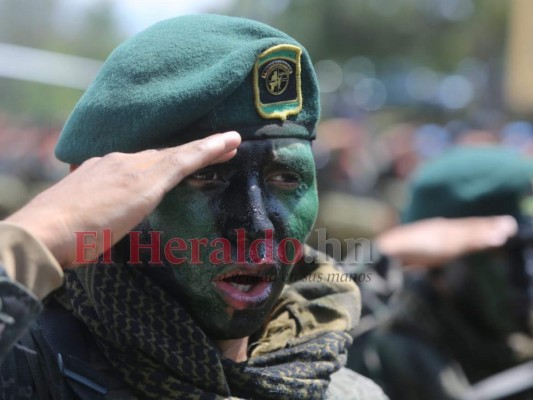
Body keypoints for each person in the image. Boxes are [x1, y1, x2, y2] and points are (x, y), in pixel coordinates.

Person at [0, 14, 388, 399]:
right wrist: (46, 229)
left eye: (285, 178)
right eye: (207, 177)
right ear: (95, 189)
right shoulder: (27, 368)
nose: (257, 226)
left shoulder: (347, 392)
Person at [347, 145, 533, 400]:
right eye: (510, 253)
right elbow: (320, 338)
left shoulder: (509, 343)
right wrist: (385, 254)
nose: (527, 270)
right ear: (438, 261)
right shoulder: (390, 352)